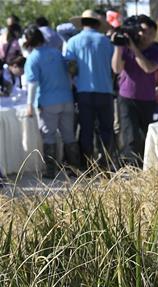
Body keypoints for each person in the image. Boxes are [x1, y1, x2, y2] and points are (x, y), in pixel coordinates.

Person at [21, 25, 78, 177]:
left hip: (48, 102)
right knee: (69, 136)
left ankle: (50, 171)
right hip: (66, 99)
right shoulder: (57, 53)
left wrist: (29, 105)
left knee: (49, 136)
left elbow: (32, 84)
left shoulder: (33, 58)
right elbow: (69, 75)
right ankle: (75, 169)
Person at [111, 15, 158, 164]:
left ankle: (145, 165)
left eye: (149, 32)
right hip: (126, 98)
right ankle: (131, 169)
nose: (144, 35)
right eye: (141, 31)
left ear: (154, 34)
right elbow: (116, 69)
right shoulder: (125, 47)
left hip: (147, 99)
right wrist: (118, 46)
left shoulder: (157, 51)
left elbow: (148, 68)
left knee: (146, 135)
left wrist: (133, 49)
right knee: (130, 136)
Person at [64, 10, 114, 165]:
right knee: (106, 129)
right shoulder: (106, 42)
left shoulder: (73, 41)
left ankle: (87, 165)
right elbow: (114, 67)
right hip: (105, 90)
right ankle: (104, 164)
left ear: (82, 23)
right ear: (98, 24)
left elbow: (70, 68)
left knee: (86, 129)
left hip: (83, 91)